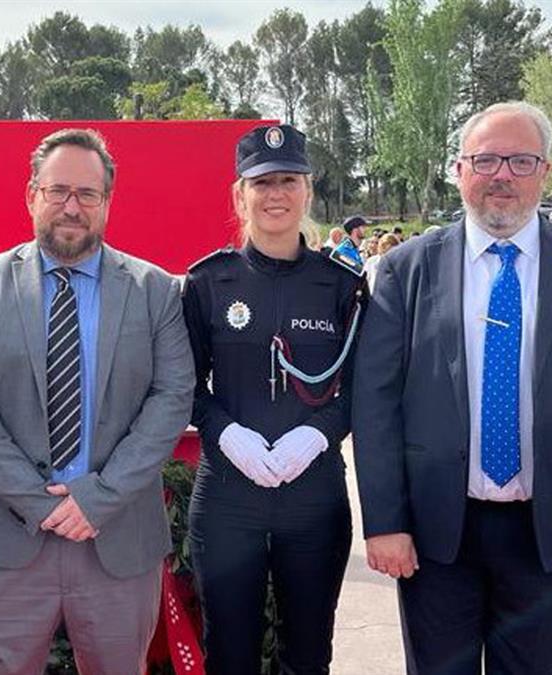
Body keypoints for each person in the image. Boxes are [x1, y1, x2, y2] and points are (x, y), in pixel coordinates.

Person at [353, 101, 552, 675]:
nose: (502, 175)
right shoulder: (406, 269)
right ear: (460, 169)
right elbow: (375, 405)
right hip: (436, 535)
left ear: (546, 170)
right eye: (486, 159)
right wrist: (386, 520)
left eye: (521, 161)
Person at [0, 128, 194, 675]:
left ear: (107, 202)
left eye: (87, 194)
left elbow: (172, 398)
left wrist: (97, 497)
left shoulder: (154, 291)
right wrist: (41, 502)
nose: (71, 207)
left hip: (116, 536)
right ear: (32, 195)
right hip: (5, 535)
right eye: (58, 192)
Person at [182, 124, 367, 675]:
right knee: (230, 652)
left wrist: (316, 435)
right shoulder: (209, 282)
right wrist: (225, 434)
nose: (275, 193)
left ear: (308, 190)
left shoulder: (342, 285)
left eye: (288, 180)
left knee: (308, 654)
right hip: (227, 498)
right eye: (261, 182)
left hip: (314, 496)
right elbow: (183, 387)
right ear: (241, 195)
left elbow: (362, 387)